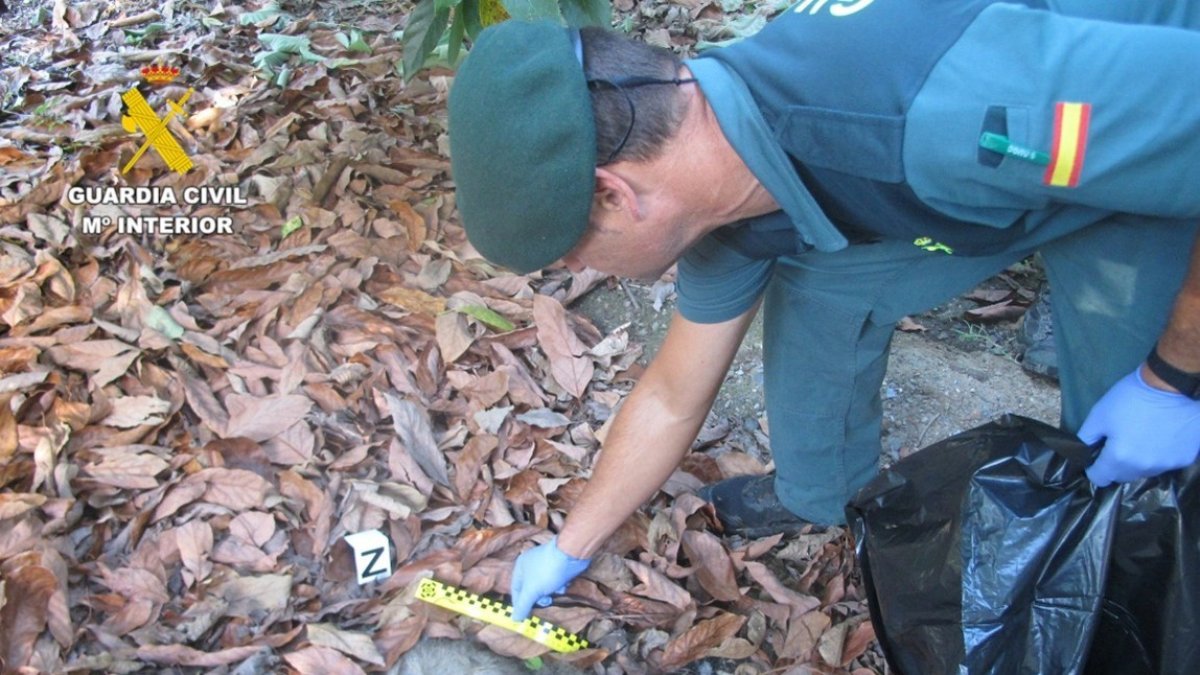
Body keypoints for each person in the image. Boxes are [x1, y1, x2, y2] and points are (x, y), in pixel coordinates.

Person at [446, 0, 1200, 621]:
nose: (575, 270)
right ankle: (819, 491)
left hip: (1147, 150)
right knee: (816, 282)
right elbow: (674, 393)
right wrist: (570, 545)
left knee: (1128, 462)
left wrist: (1174, 375)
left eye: (568, 252)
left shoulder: (934, 115)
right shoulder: (720, 170)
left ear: (616, 193)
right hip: (1004, 171)